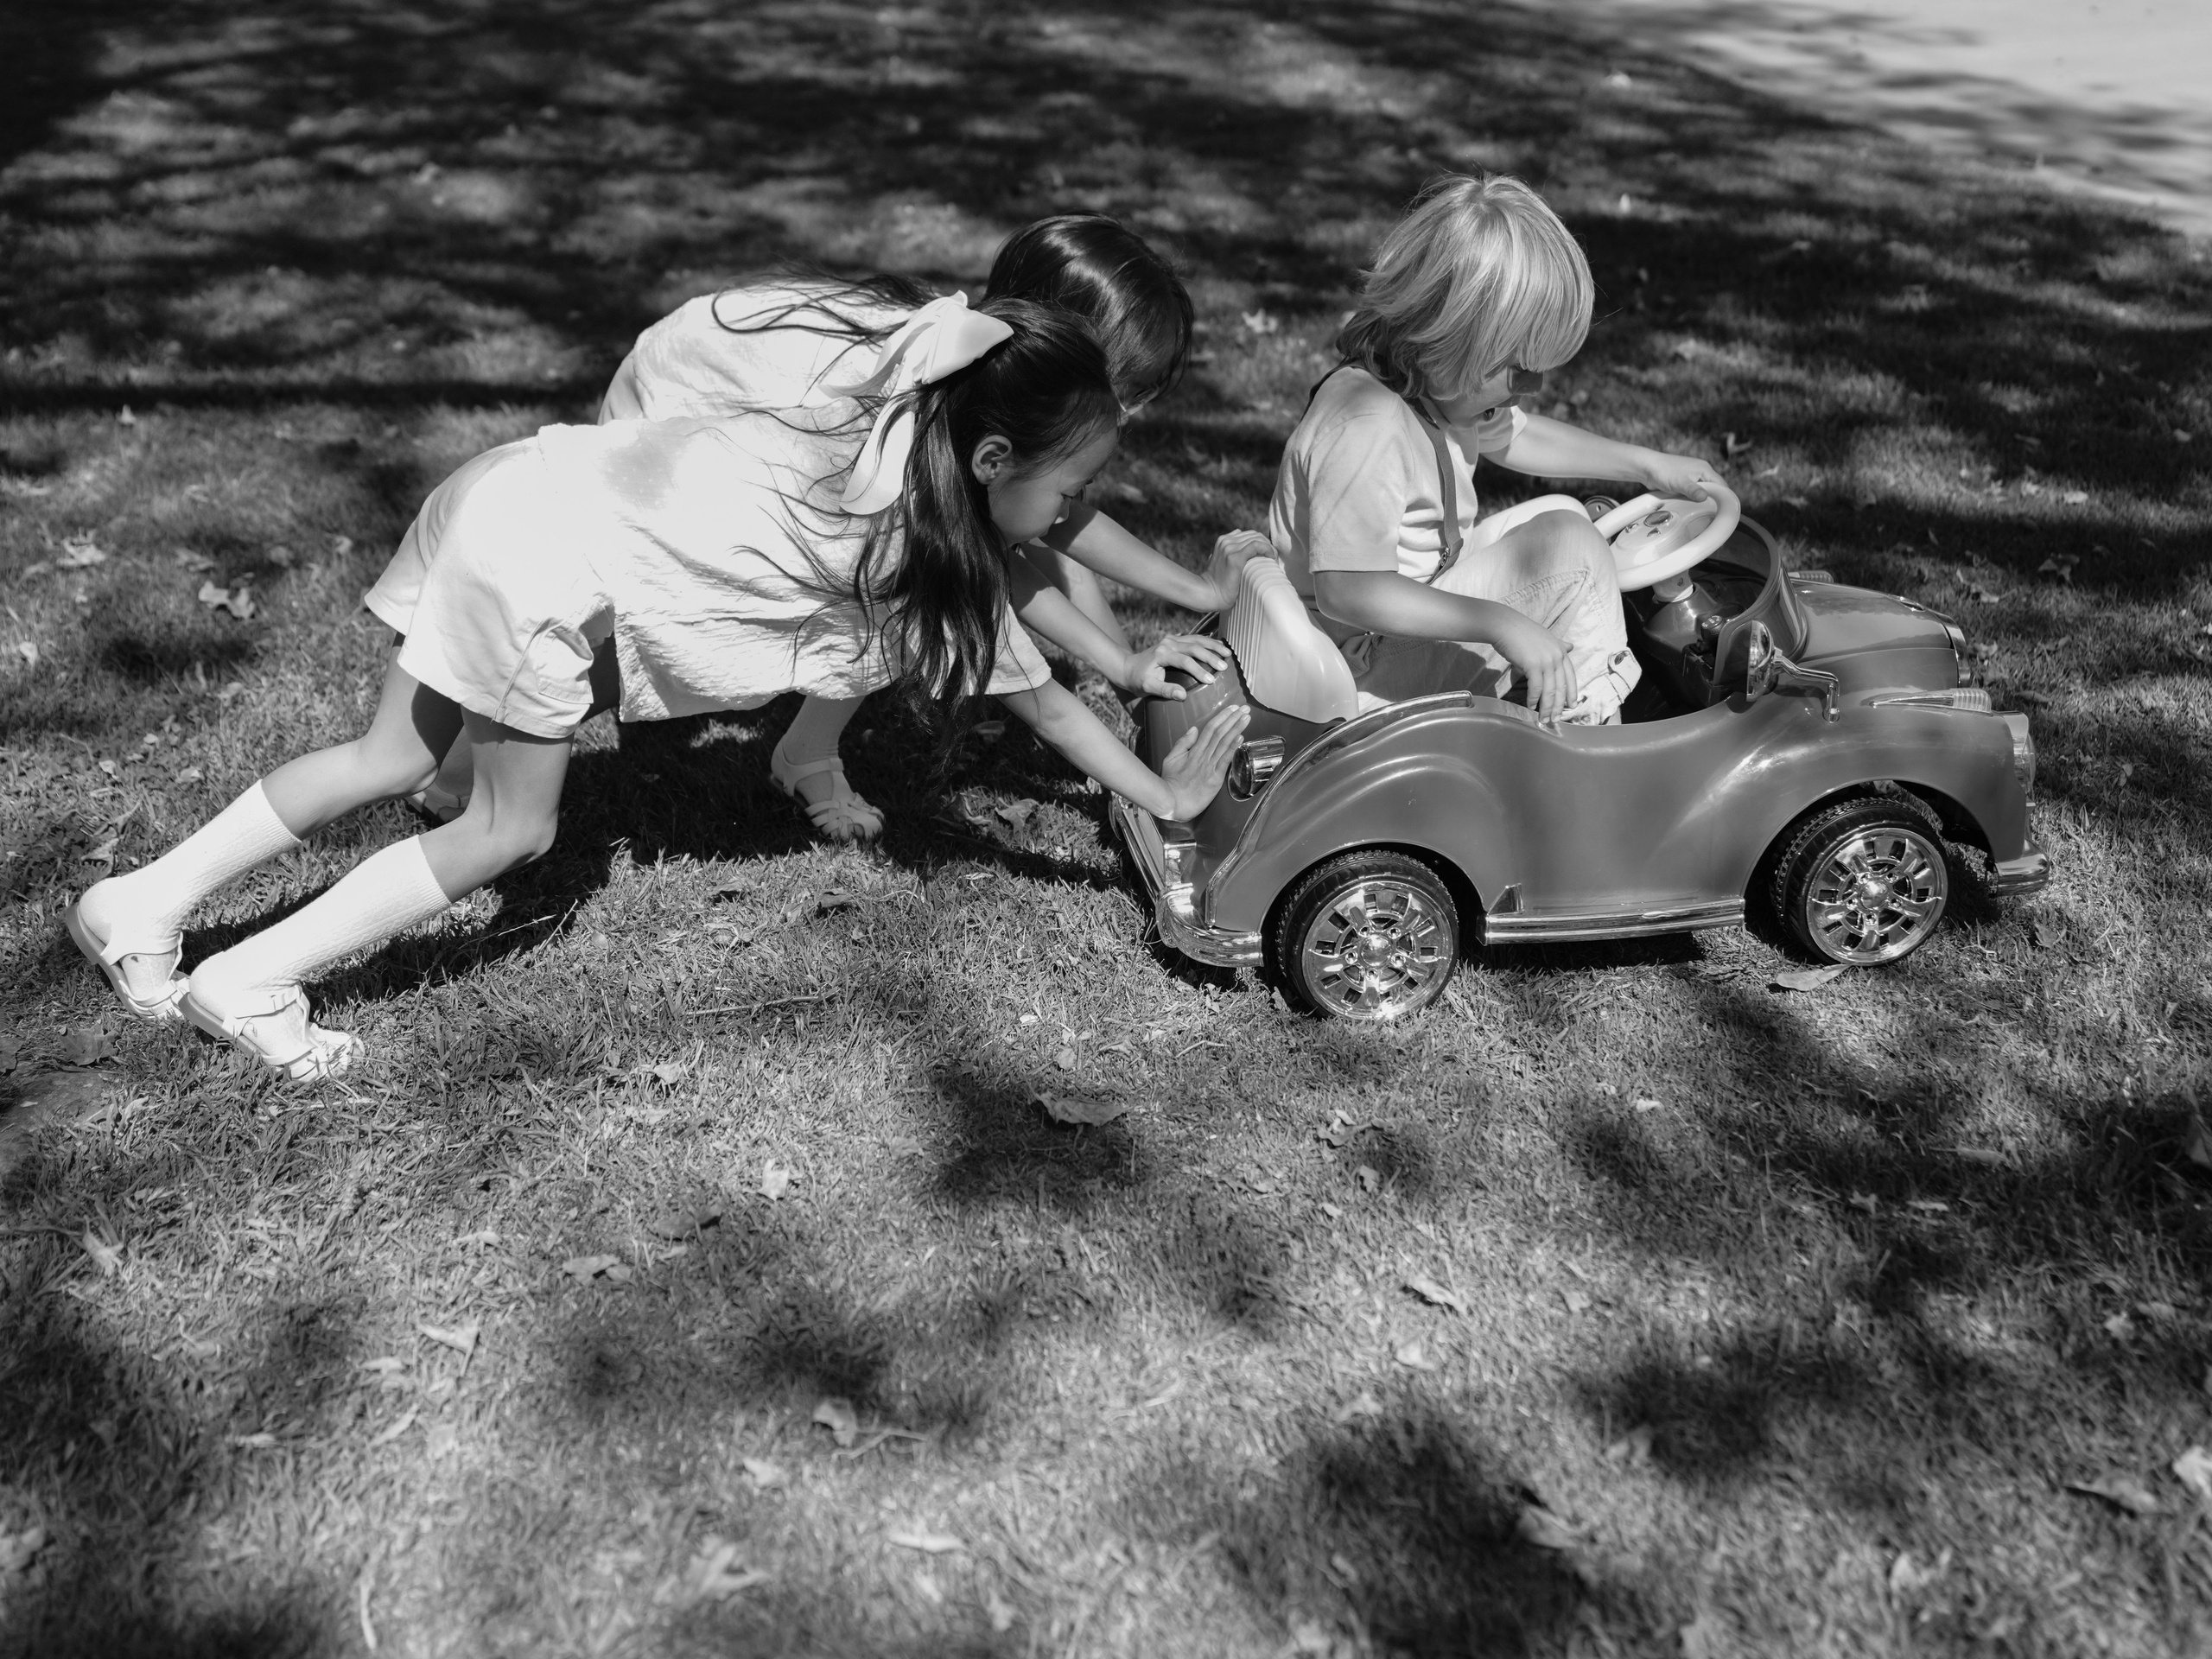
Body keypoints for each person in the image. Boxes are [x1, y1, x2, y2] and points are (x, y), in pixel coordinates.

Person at [63, 299, 1250, 1080]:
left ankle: (141, 901)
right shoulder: (917, 548)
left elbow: (1015, 608)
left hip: (515, 484)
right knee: (509, 827)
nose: (1068, 517)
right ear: (993, 463)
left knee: (391, 757)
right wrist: (1163, 787)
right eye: (1069, 489)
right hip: (546, 564)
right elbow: (1040, 699)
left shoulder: (893, 415)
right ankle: (254, 980)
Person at [416, 213, 1254, 840]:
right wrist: (1141, 731)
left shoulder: (979, 404)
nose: (1128, 415)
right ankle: (459, 766)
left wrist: (1145, 642)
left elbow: (1024, 546)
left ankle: (803, 754)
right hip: (680, 405)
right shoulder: (919, 428)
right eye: (1125, 390)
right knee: (612, 620)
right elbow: (1008, 594)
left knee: (882, 593)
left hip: (788, 443)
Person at [1270, 174, 1724, 721]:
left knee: (1563, 518)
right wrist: (1499, 622)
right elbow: (1348, 590)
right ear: (1452, 336)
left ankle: (1561, 692)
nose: (1531, 387)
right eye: (1519, 369)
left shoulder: (1431, 385)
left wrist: (1646, 465)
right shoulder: (1367, 425)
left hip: (1384, 634)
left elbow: (1521, 434)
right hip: (1355, 671)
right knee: (1573, 550)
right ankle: (1592, 733)